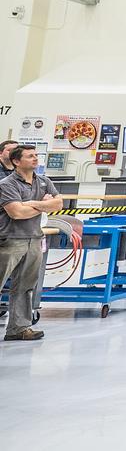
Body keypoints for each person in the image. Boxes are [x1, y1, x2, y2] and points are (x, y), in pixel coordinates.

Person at [0, 145, 63, 342]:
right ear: (17, 162)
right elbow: (16, 213)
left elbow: (58, 204)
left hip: (34, 238)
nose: (35, 159)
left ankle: (18, 328)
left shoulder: (44, 181)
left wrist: (30, 204)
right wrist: (43, 206)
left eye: (36, 155)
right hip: (10, 239)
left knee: (25, 286)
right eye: (30, 156)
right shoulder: (7, 184)